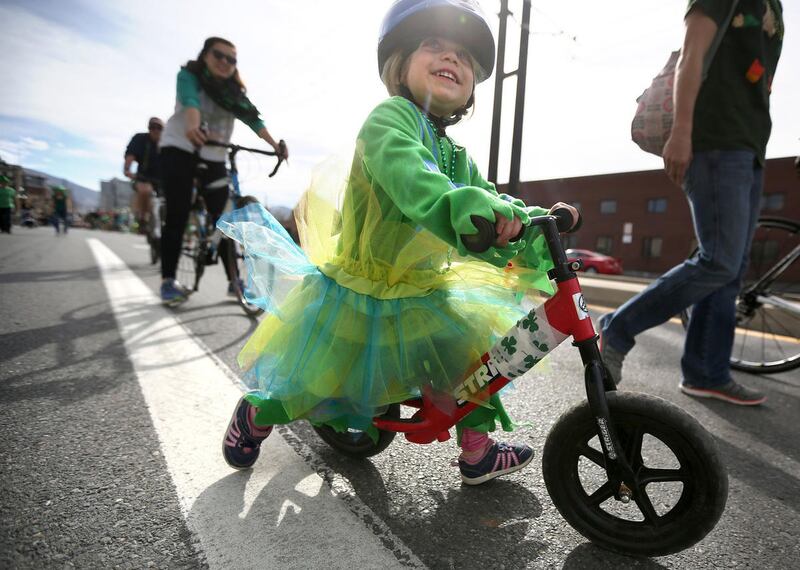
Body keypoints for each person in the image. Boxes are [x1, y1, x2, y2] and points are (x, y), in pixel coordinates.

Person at [217, 0, 578, 485]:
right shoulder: (390, 120)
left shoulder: (456, 153)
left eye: (464, 57)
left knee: (474, 362)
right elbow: (412, 176)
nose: (451, 58)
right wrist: (461, 208)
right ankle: (257, 414)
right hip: (362, 290)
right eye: (434, 44)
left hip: (425, 289)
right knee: (317, 384)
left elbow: (488, 196)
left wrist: (531, 220)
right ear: (399, 64)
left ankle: (477, 450)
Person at [599, 0, 784, 406]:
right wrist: (681, 131)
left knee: (729, 271)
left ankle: (706, 373)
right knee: (718, 261)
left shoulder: (775, 5)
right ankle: (617, 329)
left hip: (750, 148)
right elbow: (692, 55)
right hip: (714, 139)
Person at [158, 36, 288, 306]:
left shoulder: (233, 93)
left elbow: (253, 118)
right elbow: (190, 102)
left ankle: (234, 282)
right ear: (205, 55)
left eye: (231, 59)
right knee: (177, 214)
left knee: (227, 219)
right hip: (181, 148)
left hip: (214, 155)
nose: (225, 62)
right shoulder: (189, 76)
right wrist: (193, 127)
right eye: (219, 55)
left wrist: (275, 146)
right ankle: (168, 281)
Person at [124, 117, 163, 234]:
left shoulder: (168, 142)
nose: (155, 130)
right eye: (152, 127)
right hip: (143, 177)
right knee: (145, 190)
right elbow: (130, 154)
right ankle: (143, 219)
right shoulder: (140, 139)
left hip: (162, 179)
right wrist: (127, 169)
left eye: (159, 128)